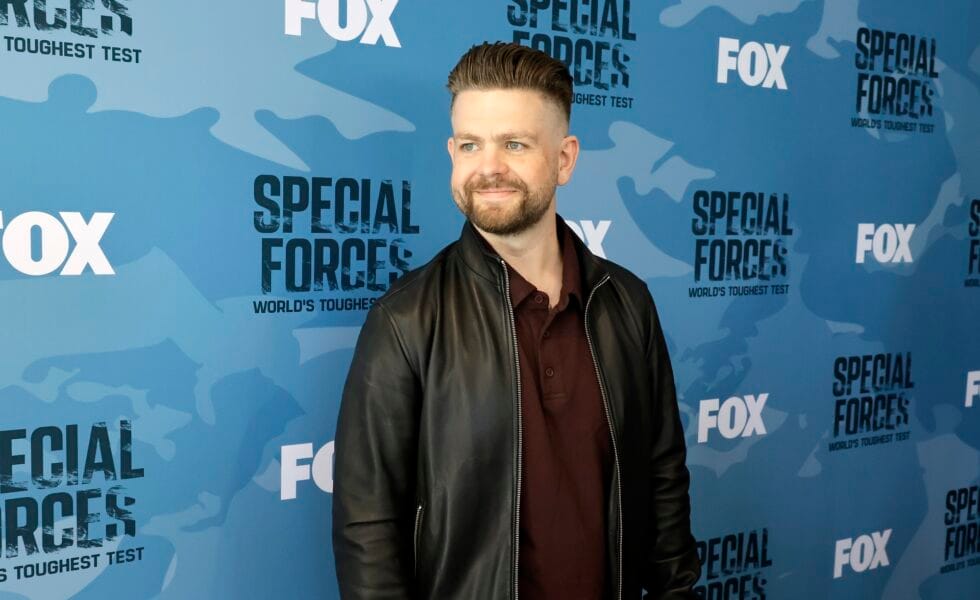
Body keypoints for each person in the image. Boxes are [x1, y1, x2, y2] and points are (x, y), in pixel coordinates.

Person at [333, 41, 700, 599]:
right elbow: (368, 529)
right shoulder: (405, 320)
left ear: (565, 158)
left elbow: (662, 478)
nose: (488, 168)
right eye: (470, 144)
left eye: (514, 143)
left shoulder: (626, 303)